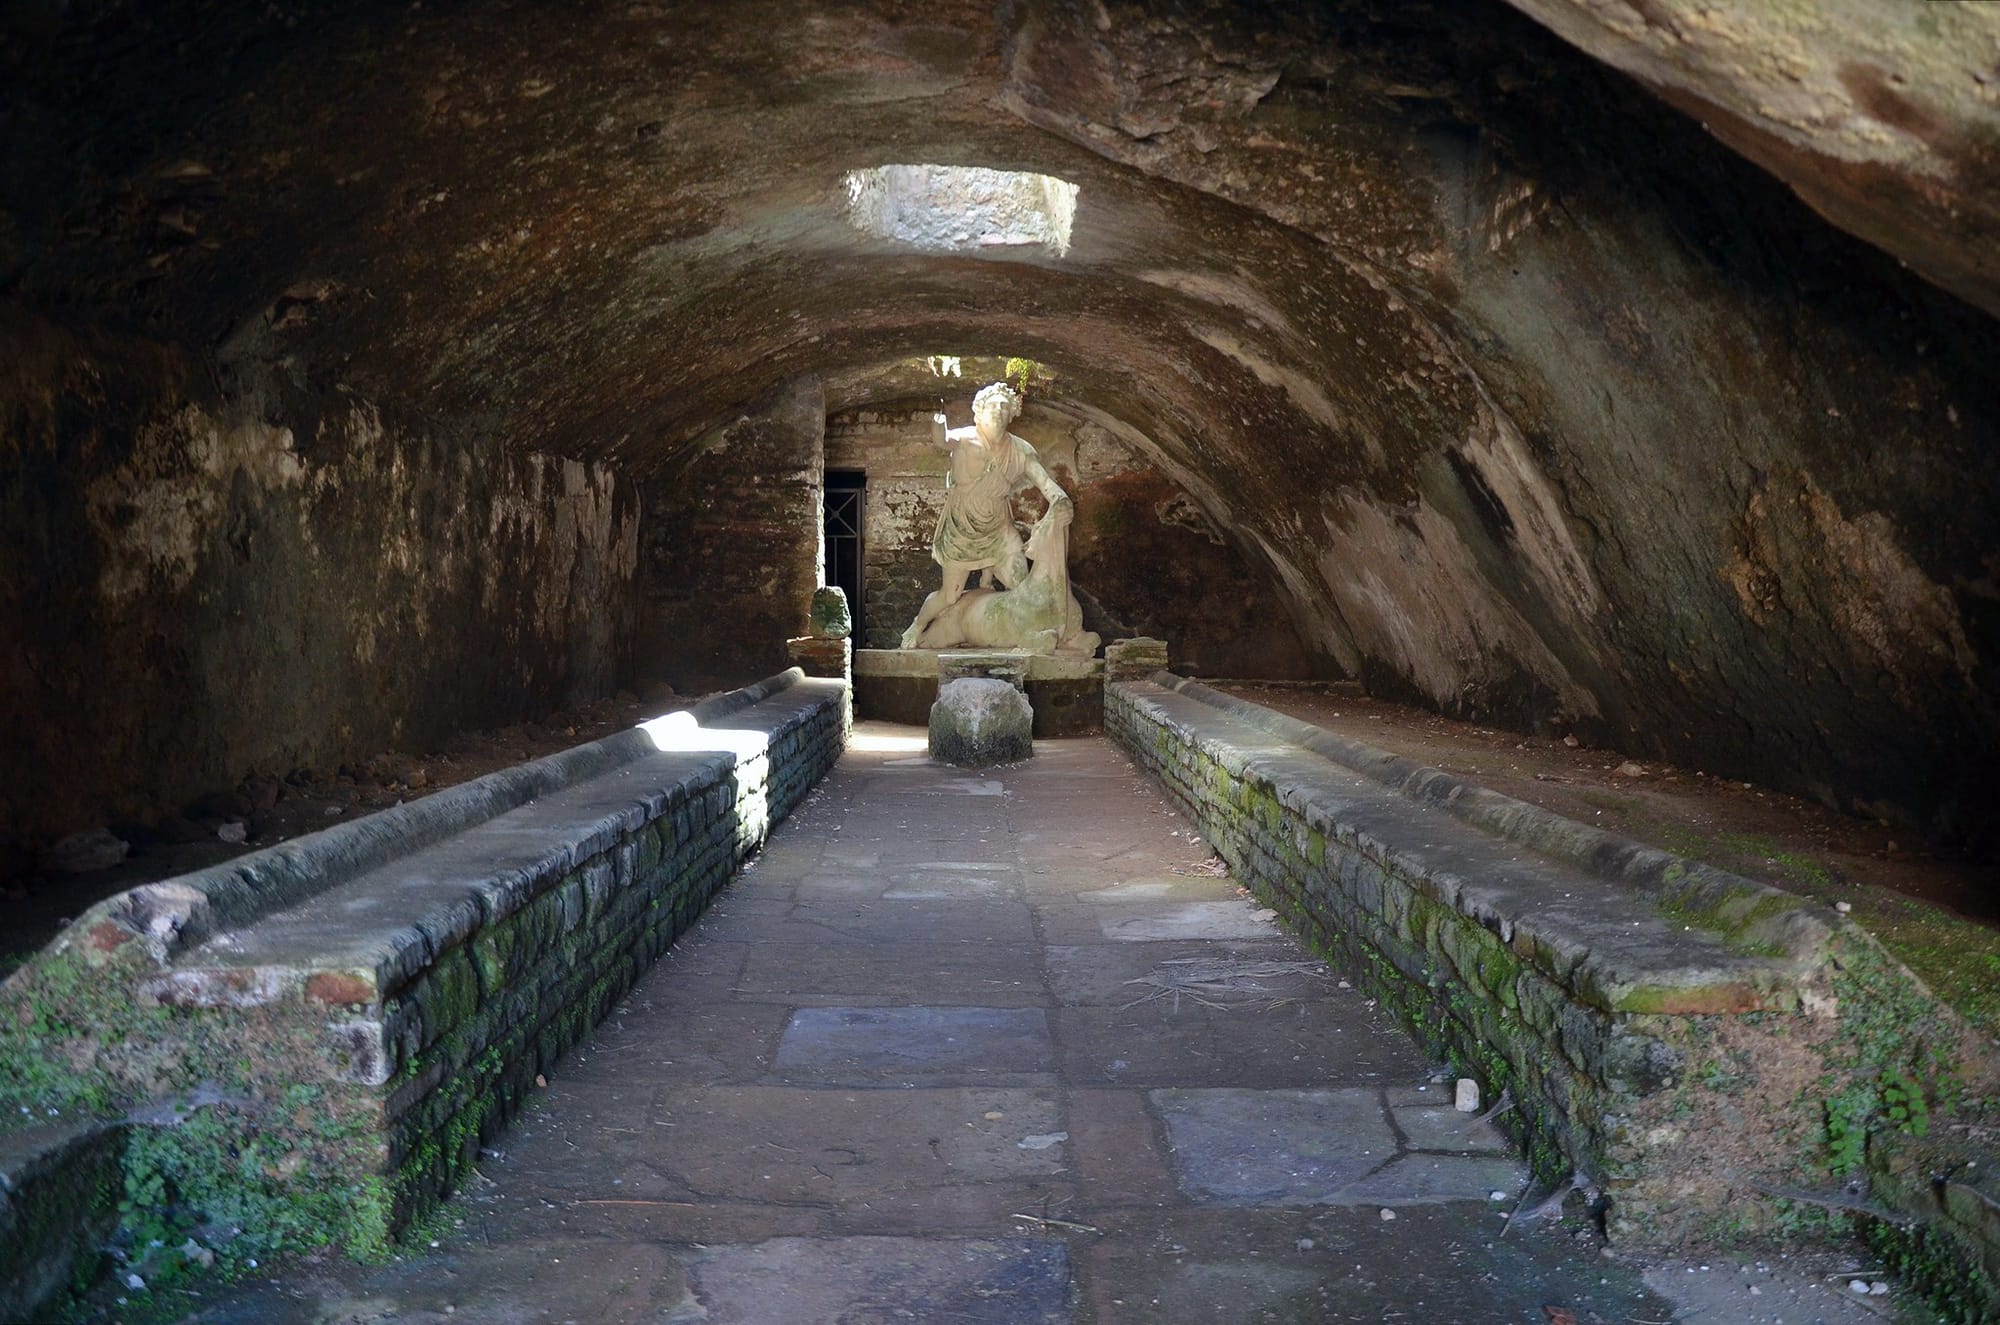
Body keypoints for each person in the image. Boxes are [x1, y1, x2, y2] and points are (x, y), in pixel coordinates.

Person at [900, 381, 1074, 648]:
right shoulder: (965, 438)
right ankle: (918, 625)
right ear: (979, 412)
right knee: (949, 595)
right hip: (962, 529)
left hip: (999, 530)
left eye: (1005, 407)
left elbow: (1046, 484)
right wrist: (938, 424)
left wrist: (1060, 500)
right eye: (992, 406)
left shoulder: (1021, 450)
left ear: (1012, 413)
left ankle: (1018, 636)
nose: (998, 411)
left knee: (1021, 585)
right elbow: (942, 439)